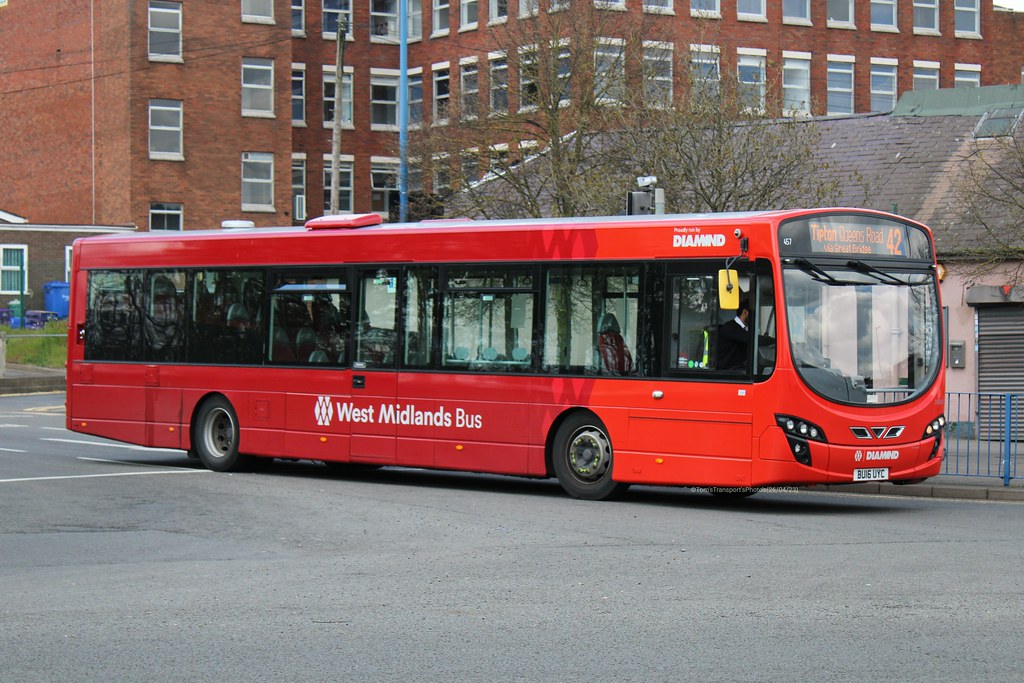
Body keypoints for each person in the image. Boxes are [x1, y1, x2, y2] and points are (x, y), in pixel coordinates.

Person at [717, 299, 751, 370]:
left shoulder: (742, 328)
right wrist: (774, 340)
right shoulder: (731, 328)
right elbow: (752, 339)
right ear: (745, 312)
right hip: (727, 371)